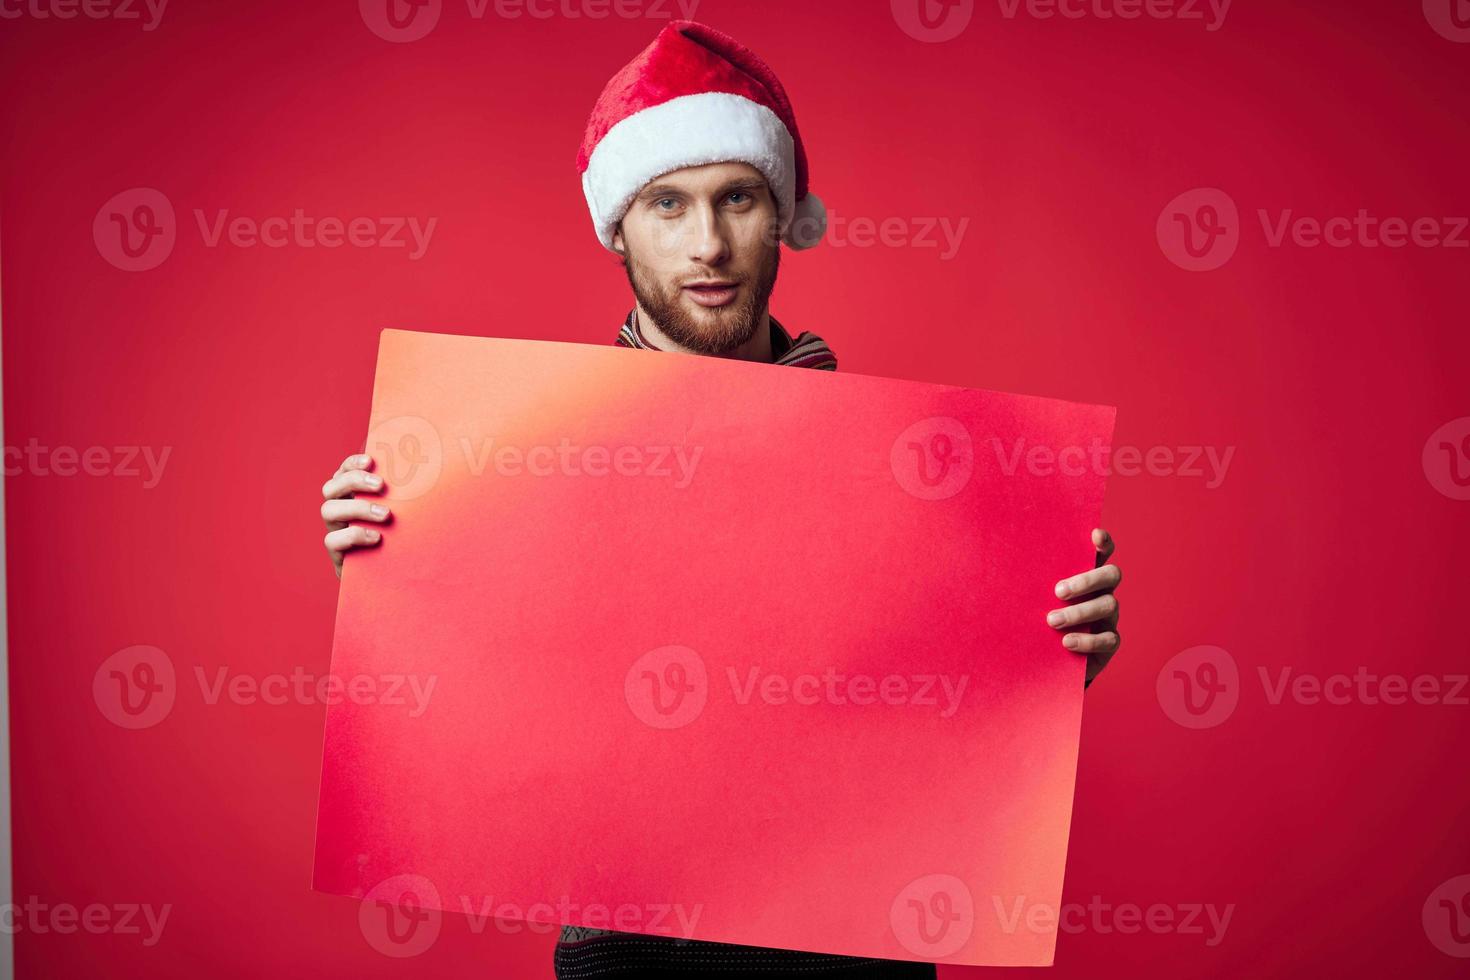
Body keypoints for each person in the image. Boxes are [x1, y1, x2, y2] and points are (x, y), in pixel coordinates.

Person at [320, 20, 1122, 978]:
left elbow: (951, 712)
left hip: (854, 936)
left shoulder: (922, 478)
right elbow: (469, 708)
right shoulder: (510, 470)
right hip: (629, 947)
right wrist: (390, 577)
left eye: (736, 198)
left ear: (780, 215)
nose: (708, 244)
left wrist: (1056, 659)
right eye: (668, 204)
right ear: (618, 225)